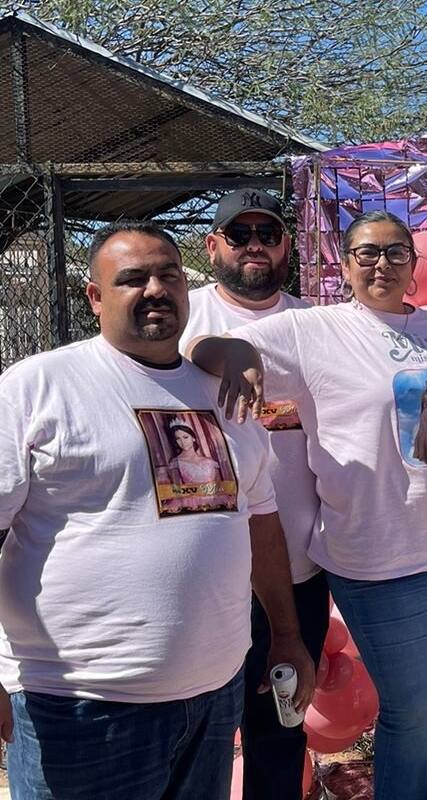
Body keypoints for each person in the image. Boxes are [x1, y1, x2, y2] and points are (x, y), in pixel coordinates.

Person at [188, 210, 427, 800]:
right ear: (343, 264)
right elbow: (204, 344)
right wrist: (232, 356)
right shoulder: (315, 331)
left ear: (414, 267)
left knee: (415, 699)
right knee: (414, 708)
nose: (382, 264)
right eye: (366, 253)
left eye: (396, 253)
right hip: (377, 560)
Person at [0, 221, 314, 799]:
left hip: (214, 699)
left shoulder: (225, 395)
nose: (154, 290)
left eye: (168, 275)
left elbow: (260, 521)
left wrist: (287, 634)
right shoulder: (37, 388)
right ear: (95, 297)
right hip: (80, 707)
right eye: (132, 279)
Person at [179, 187, 329, 800]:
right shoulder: (179, 313)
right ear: (213, 245)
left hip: (297, 569)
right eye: (238, 235)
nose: (254, 246)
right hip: (205, 573)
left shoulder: (318, 326)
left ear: (287, 245)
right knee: (196, 734)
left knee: (281, 727)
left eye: (267, 234)